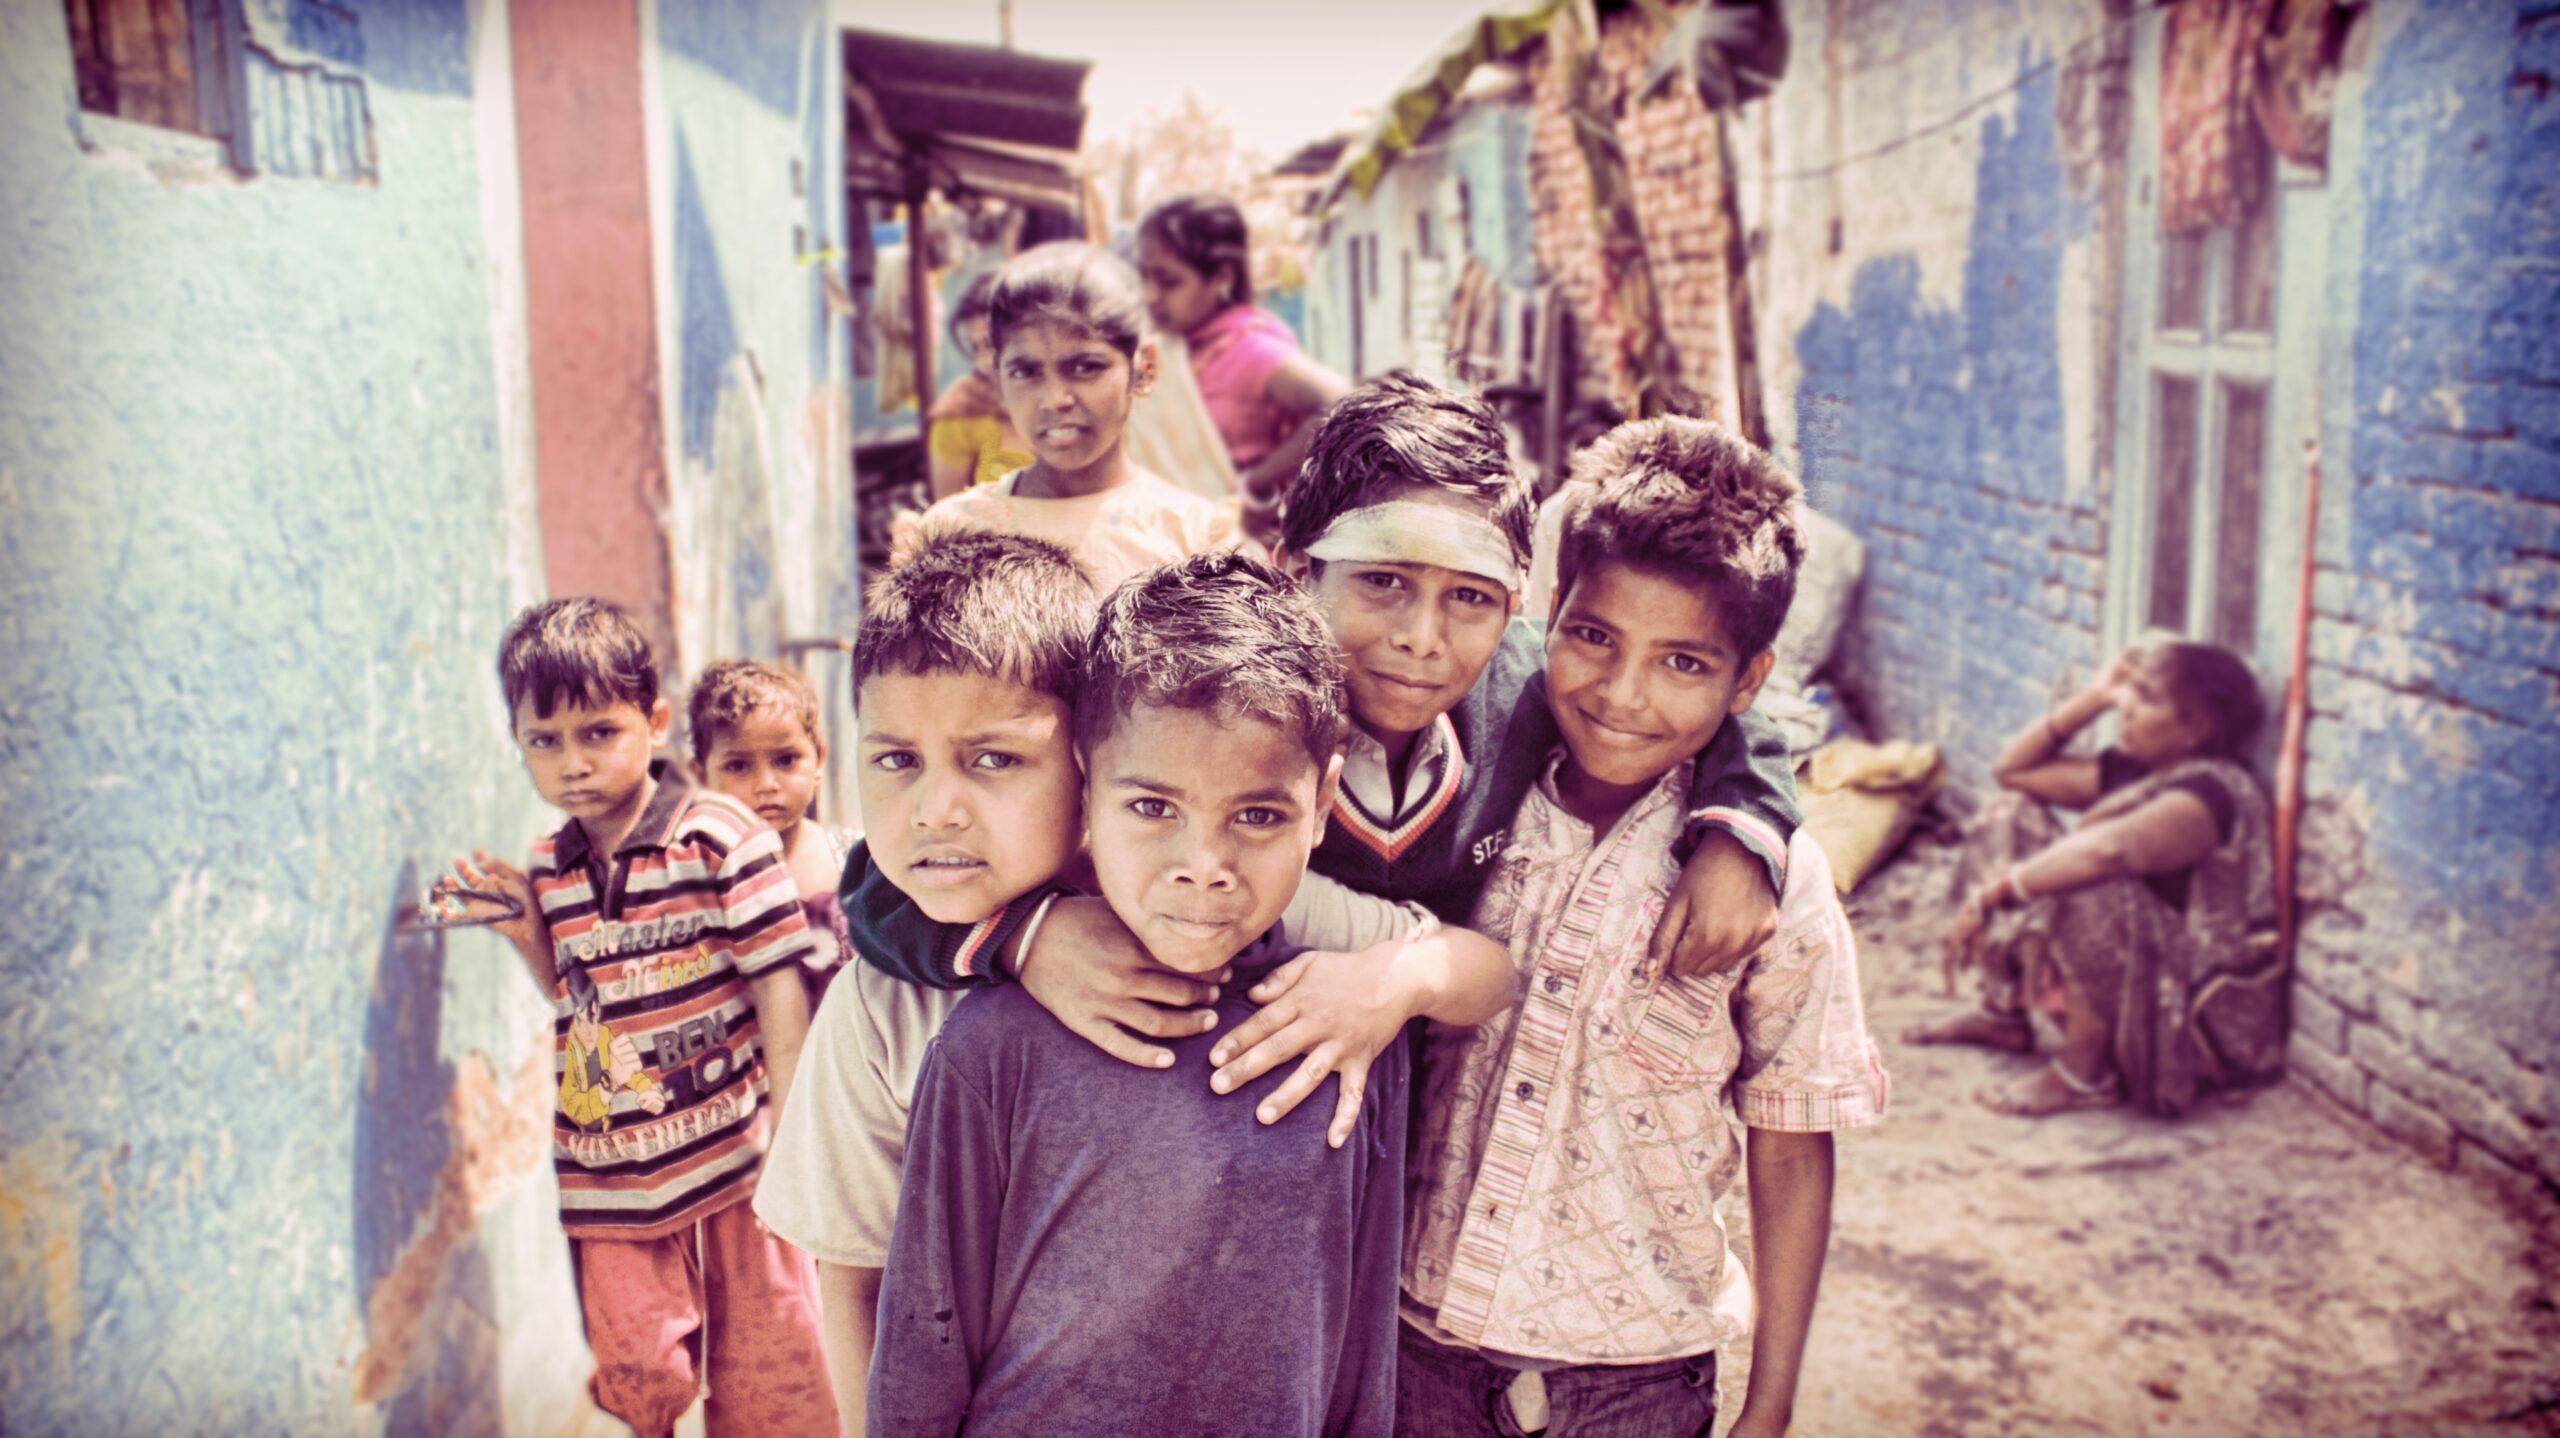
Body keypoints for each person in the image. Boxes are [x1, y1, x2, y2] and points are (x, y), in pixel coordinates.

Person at [841, 373, 1801, 1135]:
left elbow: (1716, 697)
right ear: (1296, 572)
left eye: (1468, 597)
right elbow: (884, 877)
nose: (1423, 638)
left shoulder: (1522, 692)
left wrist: (1742, 831)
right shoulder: (1190, 704)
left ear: (1515, 611)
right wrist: (1030, 938)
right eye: (1381, 581)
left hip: (1411, 1152)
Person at [752, 533, 1514, 1436]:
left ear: (1080, 761)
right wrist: (1023, 940)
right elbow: (856, 1282)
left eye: (994, 759)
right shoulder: (884, 1005)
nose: (939, 809)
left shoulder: (1237, 904)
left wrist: (1391, 984)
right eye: (896, 759)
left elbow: (1484, 972)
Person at [1398, 417, 1888, 1438]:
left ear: (1746, 680)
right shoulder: (1461, 789)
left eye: (1681, 663)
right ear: (1548, 613)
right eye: (1593, 638)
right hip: (1414, 1349)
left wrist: (1771, 1404)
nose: (1621, 696)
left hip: (1638, 1376)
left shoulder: (1772, 882)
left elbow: (1792, 1142)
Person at [432, 599, 835, 1437]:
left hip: (736, 1161)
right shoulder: (550, 866)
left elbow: (778, 988)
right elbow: (582, 1000)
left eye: (598, 733)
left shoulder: (722, 837)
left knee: (774, 1381)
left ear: (653, 725)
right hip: (608, 1175)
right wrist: (524, 936)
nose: (572, 764)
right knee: (642, 1374)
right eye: (544, 742)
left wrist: (797, 1143)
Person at [1910, 639, 2279, 1118]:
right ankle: (2002, 1013)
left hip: (2191, 1017)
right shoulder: (2139, 771)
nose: (2126, 708)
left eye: (2145, 698)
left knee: (2089, 877)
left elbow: (2111, 852)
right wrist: (2096, 696)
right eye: (2129, 695)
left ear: (2197, 727)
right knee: (2010, 814)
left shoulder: (2212, 793)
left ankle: (2086, 1073)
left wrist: (1997, 894)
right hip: (2141, 981)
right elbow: (2012, 771)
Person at [893, 241, 1244, 595]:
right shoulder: (952, 534)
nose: (1054, 399)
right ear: (998, 377)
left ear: (1145, 368)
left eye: (1085, 367)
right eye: (1025, 372)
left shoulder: (1198, 540)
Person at [1138, 193, 1351, 540]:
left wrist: (1256, 482)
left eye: (1168, 281)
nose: (1150, 294)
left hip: (1236, 555)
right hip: (1167, 544)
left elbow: (1343, 405)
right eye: (1145, 277)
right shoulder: (1169, 350)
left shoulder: (1249, 349)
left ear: (1222, 276)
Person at [691, 659, 849, 1009]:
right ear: (701, 775)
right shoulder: (696, 882)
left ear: (819, 761)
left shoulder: (855, 860)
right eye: (738, 766)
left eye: (786, 760)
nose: (766, 785)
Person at [923, 271, 1033, 498]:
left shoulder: (1064, 398)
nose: (983, 362)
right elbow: (947, 518)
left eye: (990, 343)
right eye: (975, 348)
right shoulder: (961, 412)